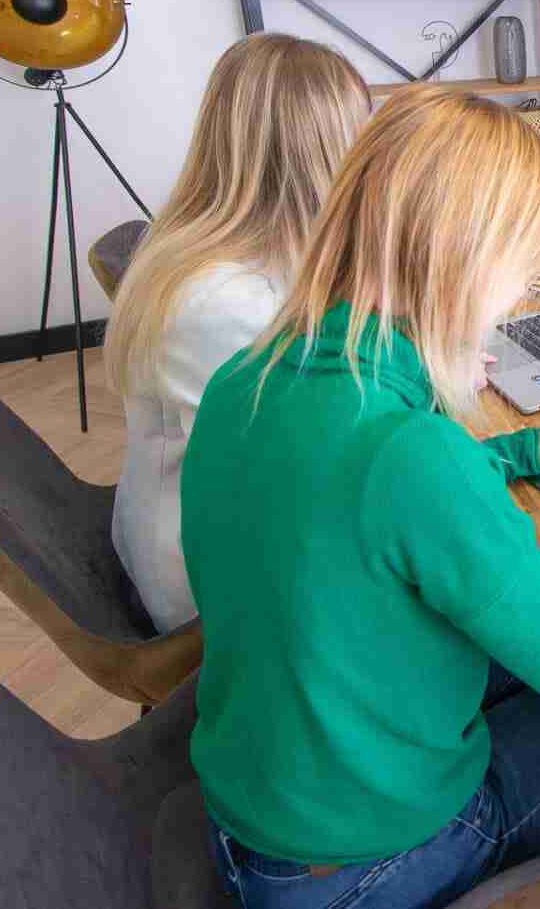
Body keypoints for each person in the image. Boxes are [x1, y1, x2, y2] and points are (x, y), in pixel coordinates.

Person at [181, 87, 540, 909]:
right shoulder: (411, 456)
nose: (516, 302)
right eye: (522, 275)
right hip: (367, 863)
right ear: (466, 263)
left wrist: (523, 448)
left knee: (536, 651)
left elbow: (360, 498)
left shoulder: (247, 375)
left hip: (264, 812)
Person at [104, 32, 368, 633]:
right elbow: (324, 471)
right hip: (225, 589)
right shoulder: (222, 303)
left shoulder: (214, 247)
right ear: (318, 152)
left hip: (211, 520)